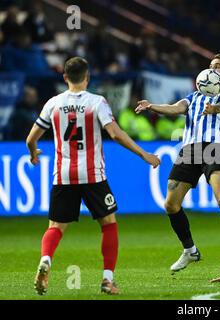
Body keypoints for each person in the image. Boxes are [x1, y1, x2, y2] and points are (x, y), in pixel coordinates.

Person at [26, 57, 161, 295]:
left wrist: (33, 153)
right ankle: (108, 280)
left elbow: (31, 138)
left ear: (65, 77)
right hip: (92, 175)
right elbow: (116, 135)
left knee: (56, 226)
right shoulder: (97, 102)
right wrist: (143, 154)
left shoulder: (53, 103)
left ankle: (46, 259)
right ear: (87, 77)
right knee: (108, 224)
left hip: (63, 175)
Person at [135, 53, 220, 272]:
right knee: (170, 204)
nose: (212, 68)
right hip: (189, 150)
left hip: (213, 148)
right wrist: (152, 106)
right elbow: (176, 108)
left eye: (217, 65)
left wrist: (215, 108)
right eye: (210, 65)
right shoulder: (194, 96)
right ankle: (190, 251)